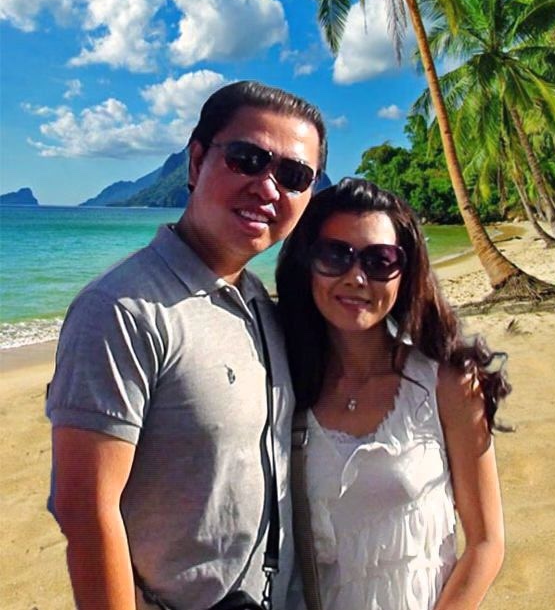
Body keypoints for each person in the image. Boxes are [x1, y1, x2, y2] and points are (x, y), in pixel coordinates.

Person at [46, 81, 326, 610]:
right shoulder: (121, 309)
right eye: (247, 160)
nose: (268, 189)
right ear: (196, 162)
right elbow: (84, 509)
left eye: (293, 176)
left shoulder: (260, 305)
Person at [276, 178, 510, 610]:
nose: (356, 277)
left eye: (380, 261)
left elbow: (486, 542)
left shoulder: (446, 381)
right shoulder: (284, 382)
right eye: (335, 255)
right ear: (306, 263)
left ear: (406, 273)